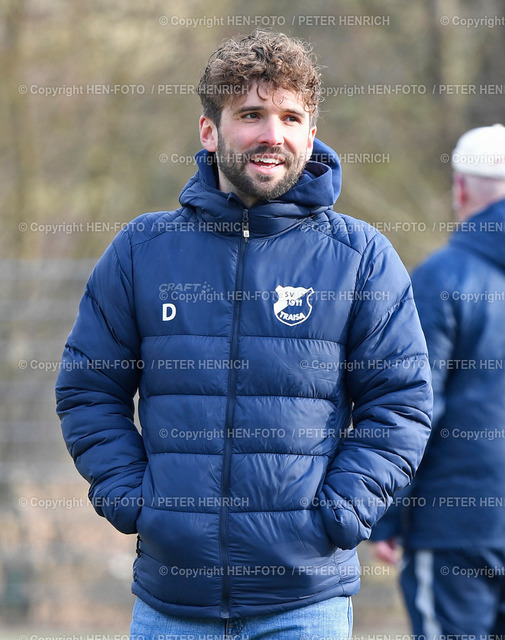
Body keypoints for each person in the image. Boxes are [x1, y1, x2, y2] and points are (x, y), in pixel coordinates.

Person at [55, 30, 432, 639]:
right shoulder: (141, 252)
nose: (271, 134)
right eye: (251, 114)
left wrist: (340, 513)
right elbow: (87, 392)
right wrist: (137, 502)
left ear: (311, 135)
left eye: (290, 117)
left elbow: (402, 405)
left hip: (303, 605)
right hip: (171, 604)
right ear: (209, 131)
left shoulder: (361, 258)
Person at [371, 124, 505, 638]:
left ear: (461, 189)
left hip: (456, 528)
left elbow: (417, 408)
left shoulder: (441, 279)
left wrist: (386, 515)